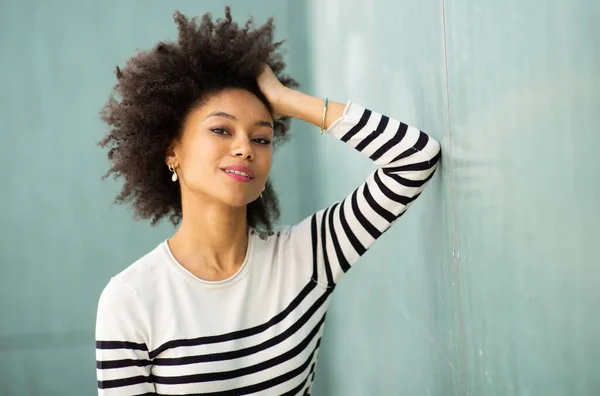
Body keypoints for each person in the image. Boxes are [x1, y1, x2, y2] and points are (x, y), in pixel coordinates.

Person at [95, 6, 441, 395]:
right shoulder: (131, 300)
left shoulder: (307, 258)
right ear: (172, 150)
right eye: (222, 130)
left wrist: (286, 99)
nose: (244, 148)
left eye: (261, 138)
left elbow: (414, 159)